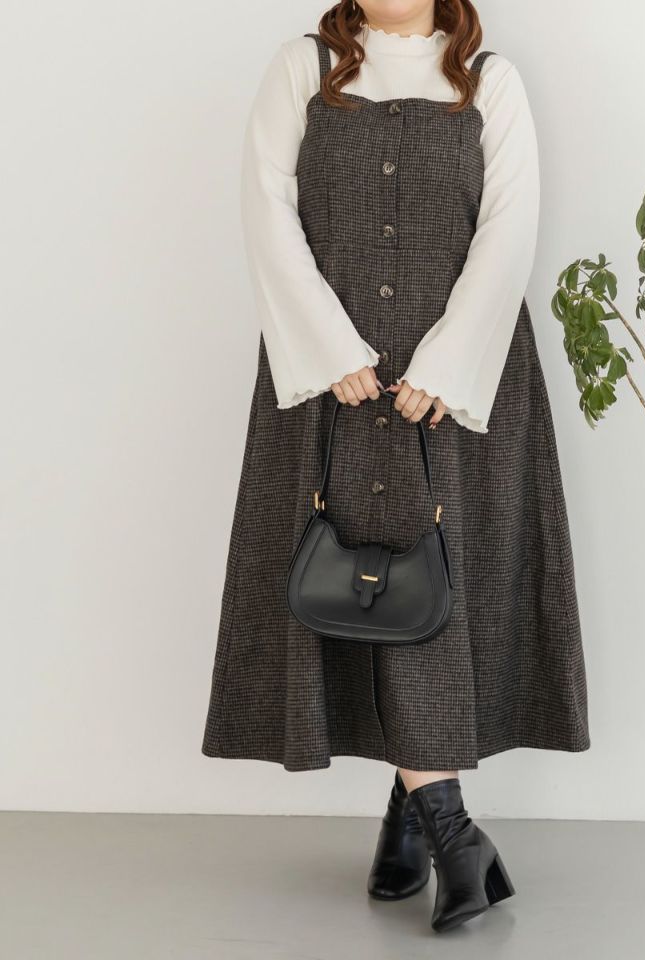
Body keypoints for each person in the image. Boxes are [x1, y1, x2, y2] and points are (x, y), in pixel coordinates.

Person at [202, 0, 590, 932]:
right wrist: (330, 349)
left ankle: (427, 825)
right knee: (357, 587)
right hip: (331, 381)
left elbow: (510, 230)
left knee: (434, 594)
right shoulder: (302, 70)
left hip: (457, 389)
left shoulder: (491, 83)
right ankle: (445, 832)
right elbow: (265, 211)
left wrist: (448, 366)